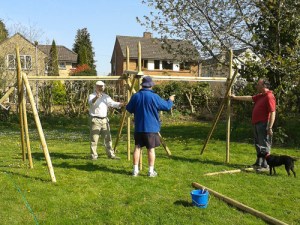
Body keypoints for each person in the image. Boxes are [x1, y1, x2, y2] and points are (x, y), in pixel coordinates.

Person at [126, 76, 175, 177]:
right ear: (151, 86)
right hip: (151, 128)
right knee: (151, 149)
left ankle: (135, 171)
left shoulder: (136, 96)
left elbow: (129, 108)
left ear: (142, 85)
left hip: (139, 127)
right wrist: (170, 100)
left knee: (137, 148)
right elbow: (166, 106)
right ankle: (150, 171)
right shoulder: (154, 96)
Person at [231, 78, 276, 170]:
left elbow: (272, 112)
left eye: (258, 84)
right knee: (258, 144)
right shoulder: (261, 96)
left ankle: (266, 165)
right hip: (257, 124)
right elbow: (250, 98)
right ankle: (258, 163)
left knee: (264, 144)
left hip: (264, 124)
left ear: (263, 85)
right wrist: (235, 97)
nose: (256, 86)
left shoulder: (269, 96)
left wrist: (270, 127)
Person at [88, 80, 124, 160]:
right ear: (96, 87)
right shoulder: (92, 95)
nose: (101, 88)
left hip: (104, 120)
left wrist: (120, 104)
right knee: (94, 138)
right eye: (99, 86)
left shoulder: (106, 96)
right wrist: (96, 97)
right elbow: (91, 103)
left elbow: (112, 103)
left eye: (102, 86)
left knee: (108, 138)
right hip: (95, 119)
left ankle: (111, 154)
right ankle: (94, 156)